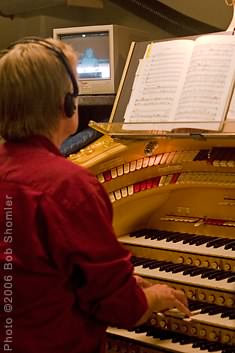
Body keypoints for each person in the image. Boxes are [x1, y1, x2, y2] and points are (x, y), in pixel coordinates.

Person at [0, 37, 190, 353]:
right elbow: (118, 307)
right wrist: (154, 296)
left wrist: (126, 284)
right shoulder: (69, 186)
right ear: (67, 104)